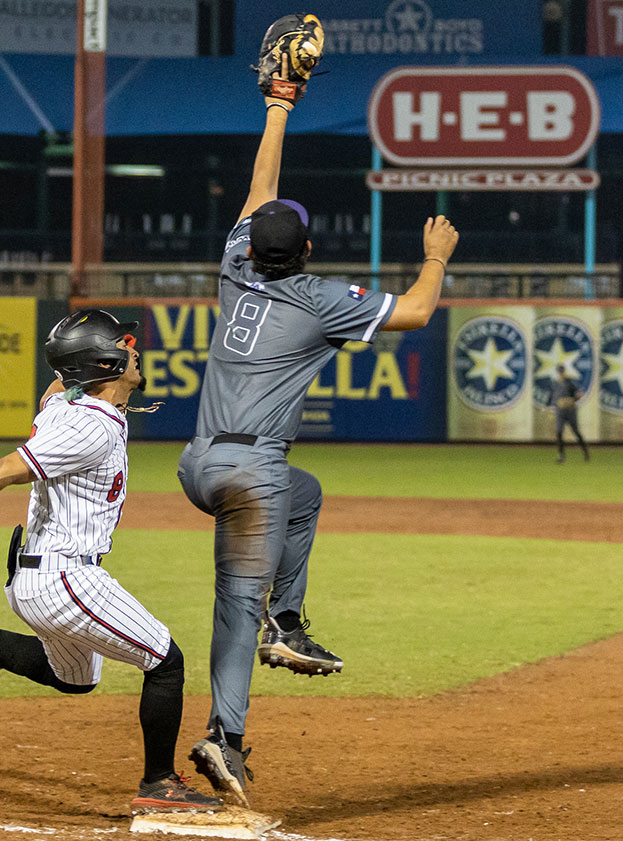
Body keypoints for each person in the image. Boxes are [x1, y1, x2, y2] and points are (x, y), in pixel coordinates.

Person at [176, 72, 459, 807]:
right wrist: (436, 254)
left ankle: (288, 618)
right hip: (251, 473)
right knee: (236, 604)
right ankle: (226, 736)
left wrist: (277, 105)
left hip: (198, 459)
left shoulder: (236, 267)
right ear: (307, 246)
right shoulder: (319, 299)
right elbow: (421, 310)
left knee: (308, 494)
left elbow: (257, 189)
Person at [0, 310, 221, 814]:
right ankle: (159, 784)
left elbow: (56, 388)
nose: (134, 349)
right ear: (105, 360)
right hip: (66, 576)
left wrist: (75, 365)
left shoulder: (63, 405)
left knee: (75, 679)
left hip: (40, 575)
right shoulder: (86, 427)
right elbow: (4, 470)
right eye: (124, 343)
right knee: (165, 661)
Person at [551, 365, 590, 463]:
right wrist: (551, 405)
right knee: (559, 432)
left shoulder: (570, 382)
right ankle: (561, 455)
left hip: (570, 410)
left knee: (576, 432)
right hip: (560, 410)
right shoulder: (555, 383)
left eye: (561, 371)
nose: (560, 373)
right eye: (559, 372)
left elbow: (580, 393)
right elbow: (553, 396)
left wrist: (572, 400)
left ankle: (585, 452)